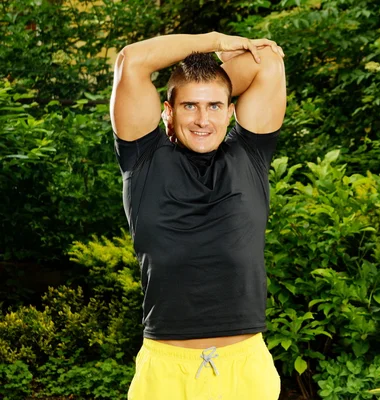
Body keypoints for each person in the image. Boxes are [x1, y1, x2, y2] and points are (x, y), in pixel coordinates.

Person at [109, 30, 286, 400]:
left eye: (214, 106)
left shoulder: (250, 154)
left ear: (230, 110)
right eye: (189, 105)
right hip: (166, 372)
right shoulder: (143, 158)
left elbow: (268, 58)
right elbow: (132, 61)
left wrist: (207, 82)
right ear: (168, 112)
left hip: (246, 371)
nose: (202, 119)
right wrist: (214, 41)